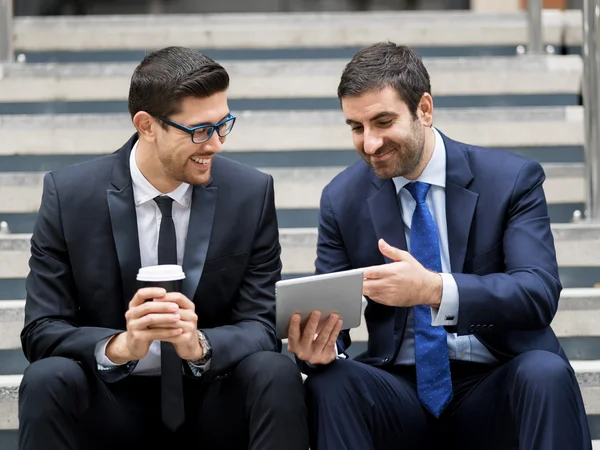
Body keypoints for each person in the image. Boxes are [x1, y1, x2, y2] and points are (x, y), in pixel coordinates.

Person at [287, 42, 592, 450]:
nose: (370, 143)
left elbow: (537, 292)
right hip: (400, 390)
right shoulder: (342, 198)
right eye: (357, 128)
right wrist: (317, 349)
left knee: (544, 372)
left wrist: (435, 289)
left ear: (424, 110)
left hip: (497, 379)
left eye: (382, 121)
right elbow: (333, 313)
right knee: (332, 383)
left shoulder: (511, 180)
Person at [19, 46, 308, 450]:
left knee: (275, 371)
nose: (216, 144)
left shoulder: (251, 193)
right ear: (147, 125)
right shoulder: (69, 196)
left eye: (223, 124)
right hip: (110, 400)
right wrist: (120, 345)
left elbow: (261, 325)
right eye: (199, 130)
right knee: (46, 378)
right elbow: (41, 330)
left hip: (213, 397)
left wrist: (200, 345)